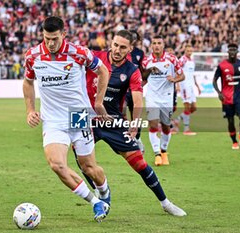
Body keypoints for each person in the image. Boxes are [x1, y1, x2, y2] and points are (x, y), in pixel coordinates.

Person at [75, 30, 187, 217]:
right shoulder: (94, 57)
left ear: (130, 49)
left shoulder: (131, 70)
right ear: (111, 43)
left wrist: (134, 124)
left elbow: (137, 100)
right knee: (81, 160)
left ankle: (165, 203)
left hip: (113, 120)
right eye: (115, 45)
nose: (117, 50)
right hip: (84, 116)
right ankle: (102, 191)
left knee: (139, 163)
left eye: (123, 47)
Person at [22, 16, 111, 222]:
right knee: (56, 164)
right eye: (46, 39)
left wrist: (98, 102)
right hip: (52, 119)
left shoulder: (79, 53)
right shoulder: (33, 56)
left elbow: (103, 71)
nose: (50, 43)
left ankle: (104, 193)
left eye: (54, 38)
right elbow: (28, 82)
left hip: (77, 115)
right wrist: (30, 110)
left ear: (64, 34)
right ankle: (95, 202)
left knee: (90, 168)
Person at [142, 36, 185, 166]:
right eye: (154, 43)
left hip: (167, 97)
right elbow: (143, 78)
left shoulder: (172, 59)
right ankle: (157, 154)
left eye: (159, 43)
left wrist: (174, 79)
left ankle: (164, 151)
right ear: (151, 46)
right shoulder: (146, 62)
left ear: (163, 45)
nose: (156, 46)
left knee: (166, 126)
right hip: (152, 98)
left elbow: (182, 75)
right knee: (153, 124)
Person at [212, 43, 240, 149]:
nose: (232, 52)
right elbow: (214, 80)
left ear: (237, 52)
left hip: (239, 97)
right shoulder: (222, 65)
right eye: (230, 50)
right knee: (230, 121)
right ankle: (234, 142)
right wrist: (219, 93)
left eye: (234, 50)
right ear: (228, 52)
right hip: (226, 98)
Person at [123, 30, 146, 154]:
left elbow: (142, 70)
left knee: (136, 115)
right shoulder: (122, 50)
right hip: (123, 89)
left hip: (135, 89)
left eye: (134, 37)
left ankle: (137, 138)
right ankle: (126, 134)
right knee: (122, 110)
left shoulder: (140, 53)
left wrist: (144, 80)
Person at [173, 44, 201, 135]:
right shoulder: (183, 59)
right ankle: (186, 129)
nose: (189, 52)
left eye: (190, 51)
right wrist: (177, 83)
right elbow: (176, 70)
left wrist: (197, 86)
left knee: (194, 108)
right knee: (187, 107)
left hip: (191, 86)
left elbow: (192, 74)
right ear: (184, 51)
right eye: (187, 51)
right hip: (184, 85)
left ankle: (177, 120)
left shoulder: (191, 60)